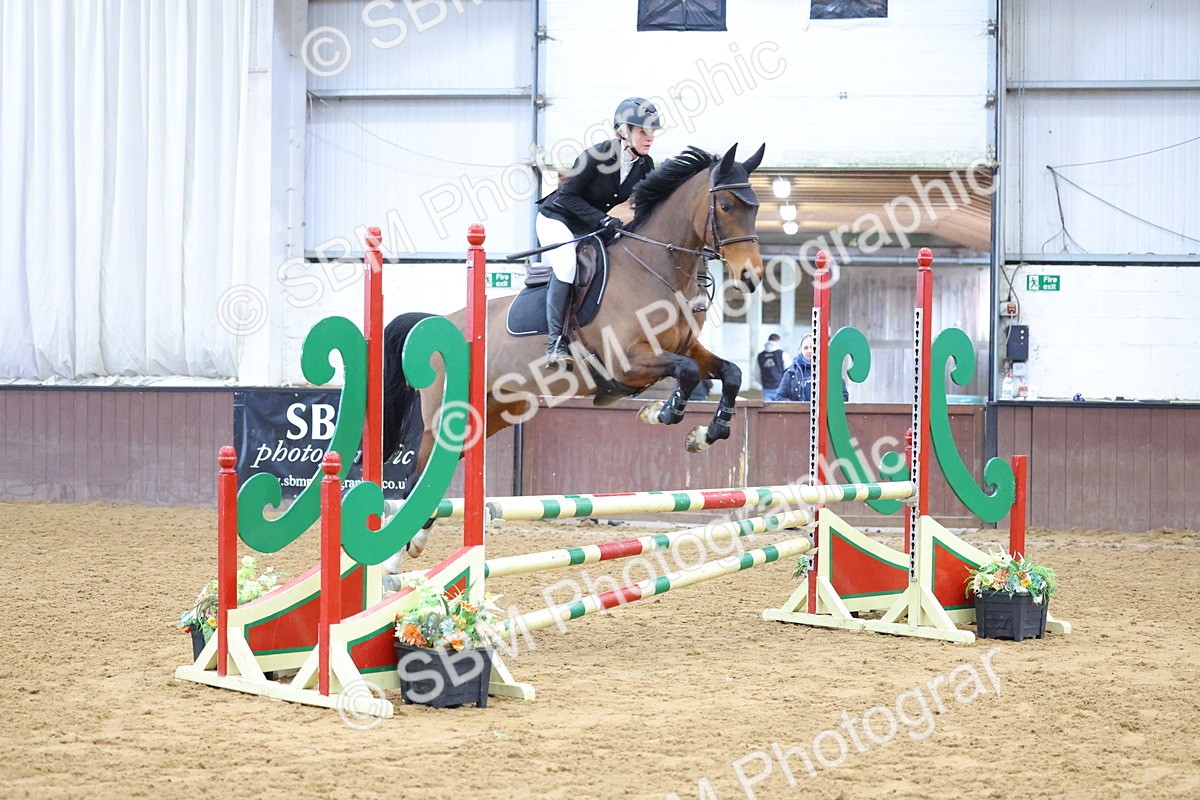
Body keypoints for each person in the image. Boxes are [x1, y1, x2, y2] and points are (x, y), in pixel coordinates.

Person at [535, 97, 661, 368]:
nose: (650, 137)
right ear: (623, 131)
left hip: (589, 225)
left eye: (652, 131)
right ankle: (555, 344)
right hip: (557, 219)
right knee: (567, 266)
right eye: (643, 131)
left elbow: (647, 206)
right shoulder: (595, 156)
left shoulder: (645, 165)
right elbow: (566, 196)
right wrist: (603, 219)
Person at [776, 335, 850, 402]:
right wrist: (795, 407)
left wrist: (828, 406)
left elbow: (843, 396)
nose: (809, 351)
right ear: (801, 350)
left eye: (813, 347)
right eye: (805, 348)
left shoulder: (831, 370)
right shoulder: (791, 372)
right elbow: (779, 397)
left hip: (824, 413)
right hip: (798, 412)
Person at [756, 333, 788, 400]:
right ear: (778, 341)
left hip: (766, 388)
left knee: (767, 406)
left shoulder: (760, 356)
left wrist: (763, 383)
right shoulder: (782, 354)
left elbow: (756, 373)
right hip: (780, 387)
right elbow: (789, 371)